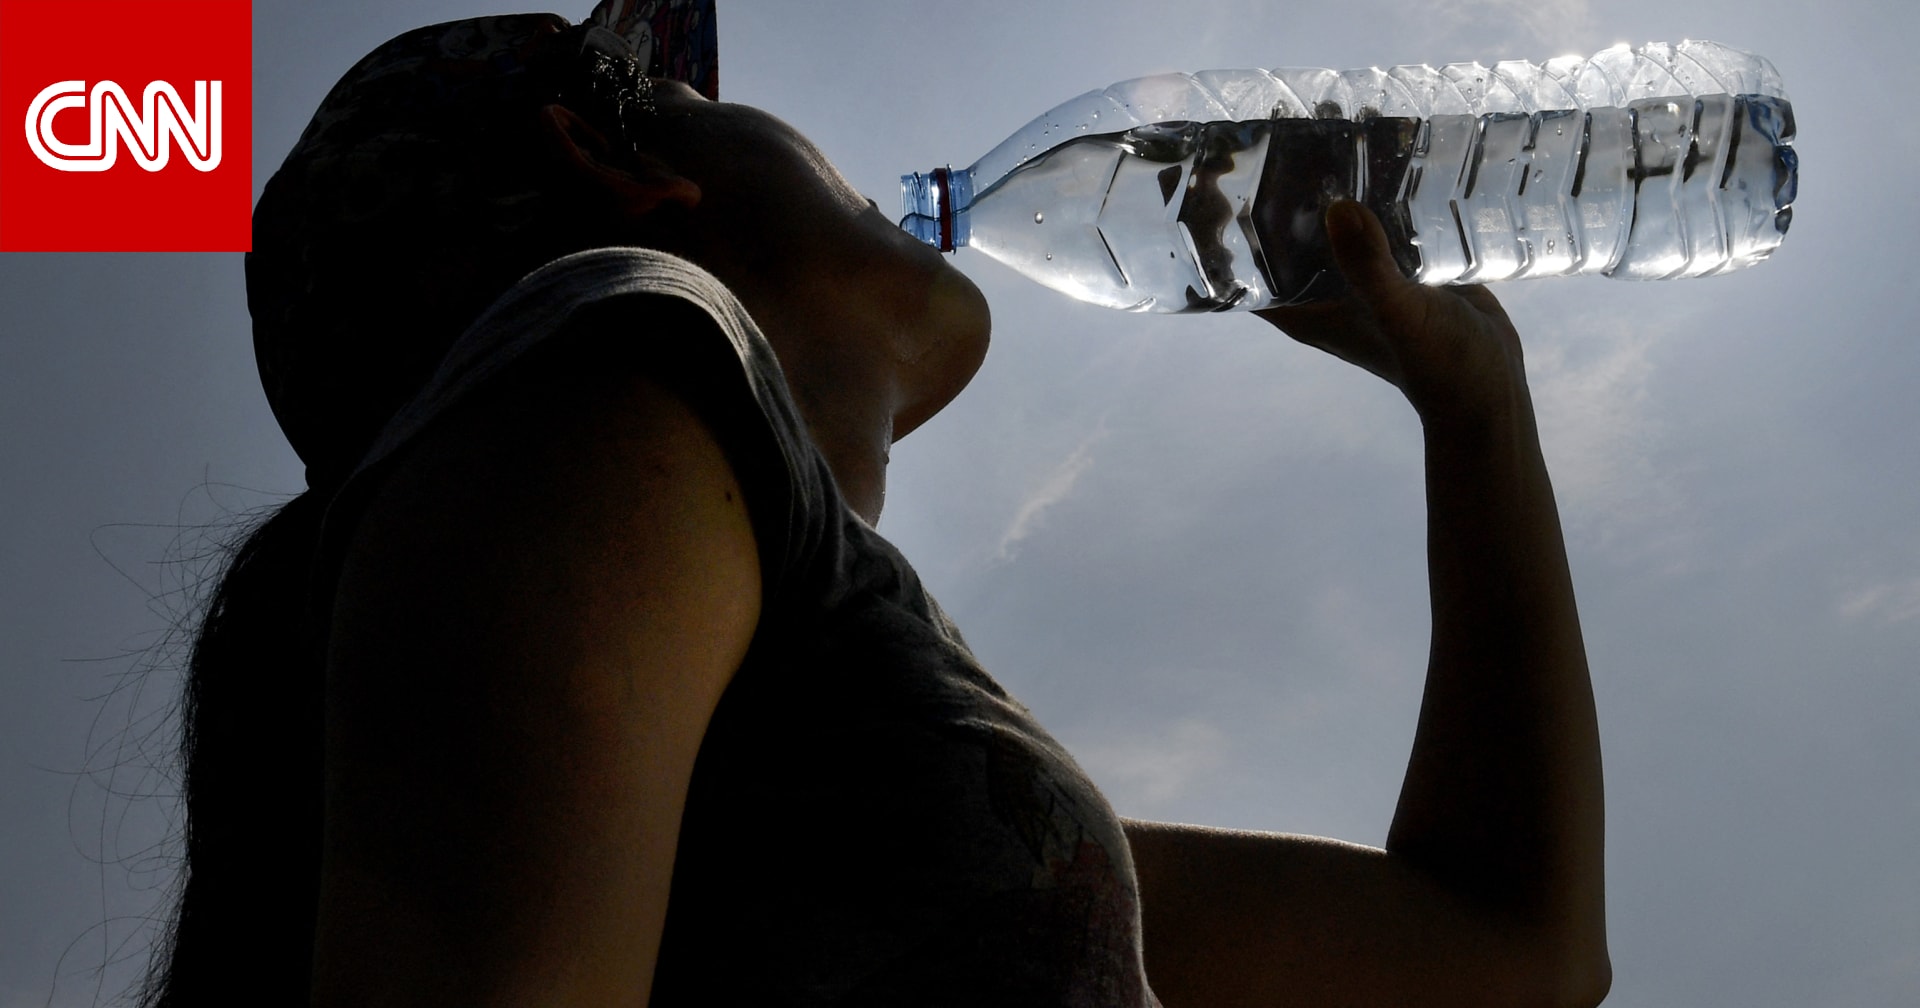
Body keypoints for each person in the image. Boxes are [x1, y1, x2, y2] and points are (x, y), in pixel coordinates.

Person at [142, 8, 1609, 1007]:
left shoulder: (939, 819)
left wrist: (1476, 406)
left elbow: (1511, 954)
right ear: (618, 163)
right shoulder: (617, 370)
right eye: (707, 104)